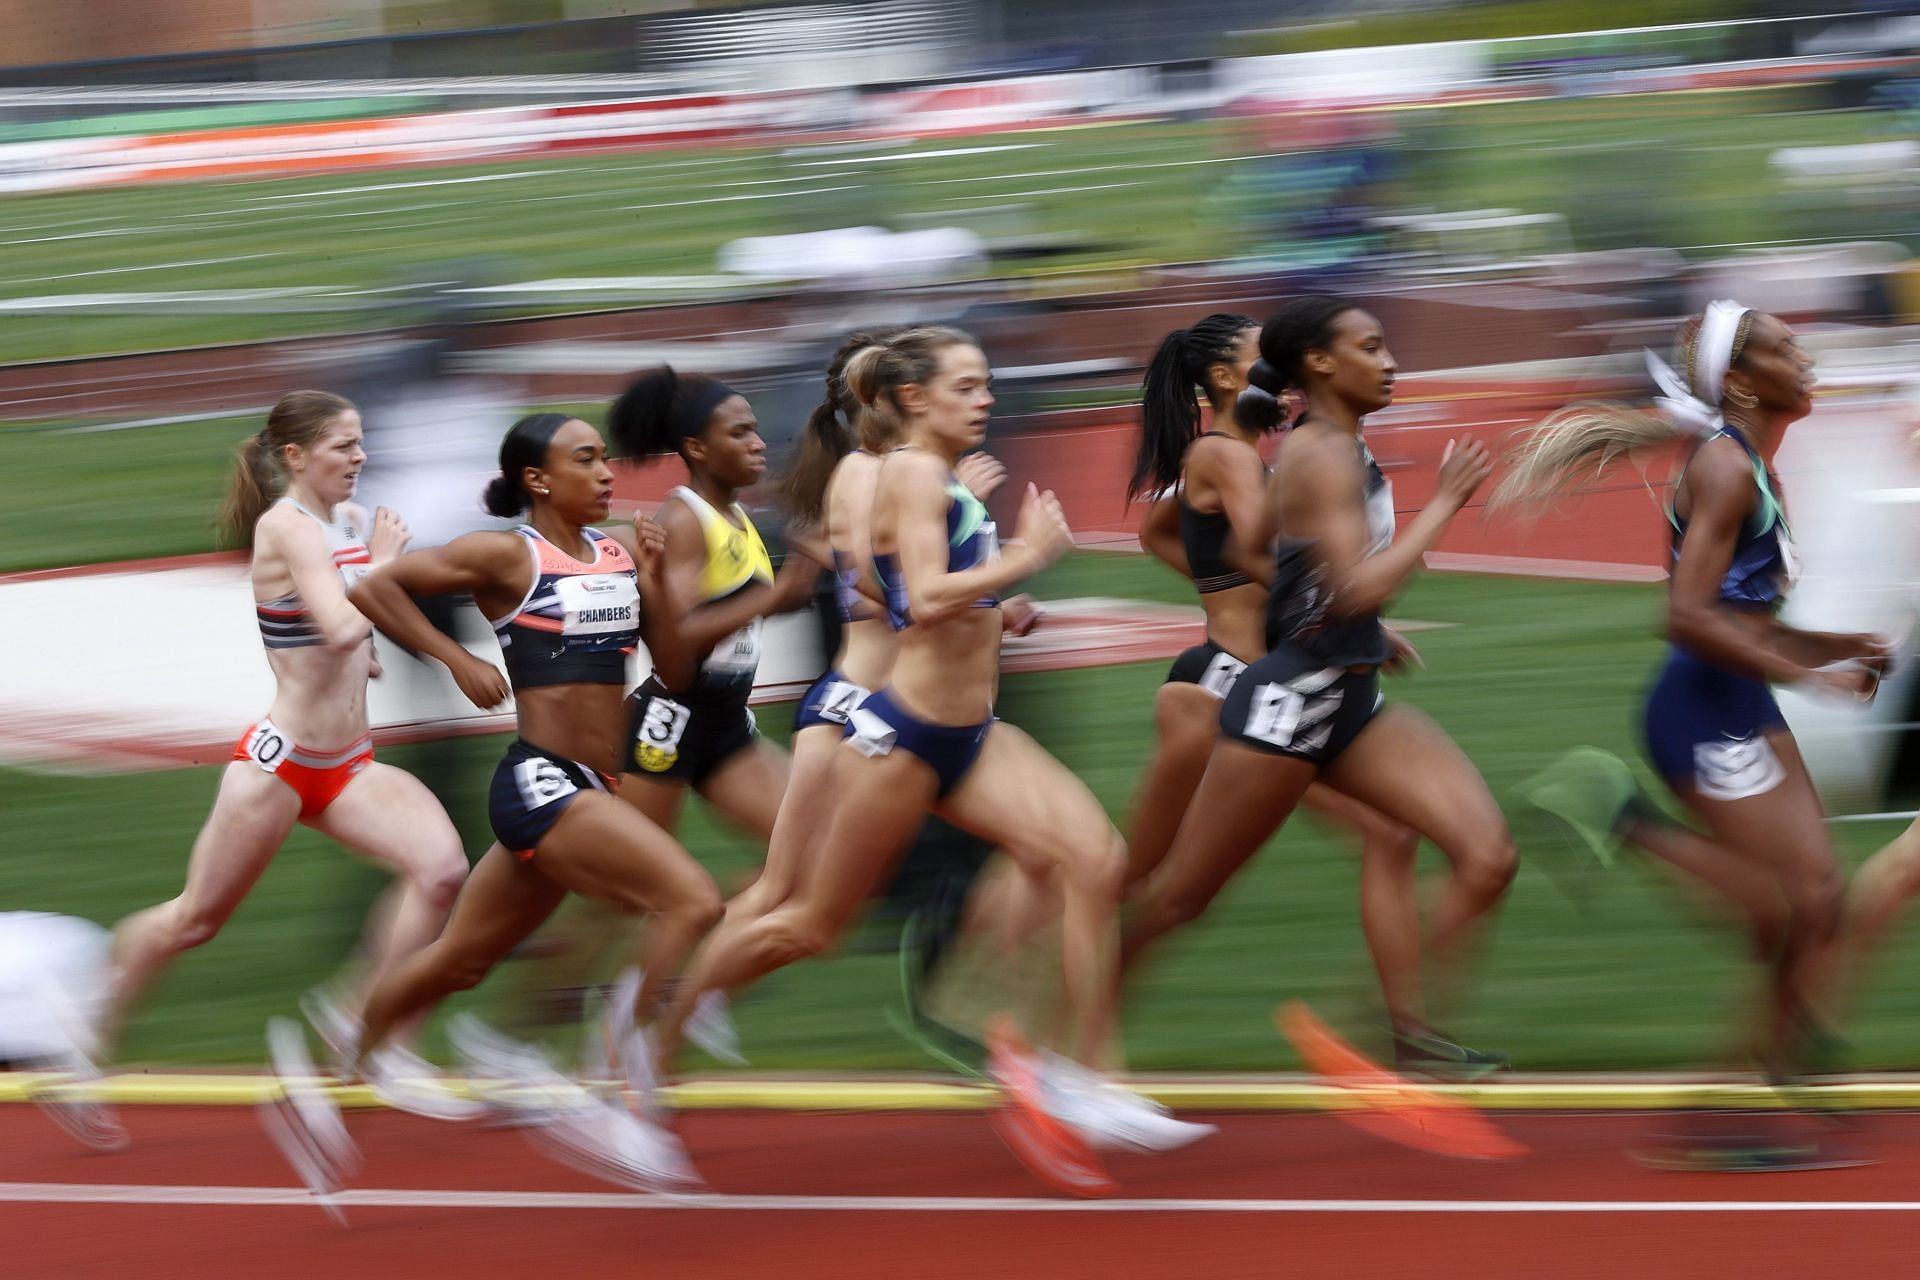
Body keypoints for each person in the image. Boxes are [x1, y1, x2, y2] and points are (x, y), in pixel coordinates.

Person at [647, 327, 1212, 1192]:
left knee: (1091, 860)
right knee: (807, 924)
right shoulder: (908, 471)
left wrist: (1003, 601)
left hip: (972, 733)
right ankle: (657, 1045)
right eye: (968, 386)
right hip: (902, 736)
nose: (987, 398)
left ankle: (1084, 1076)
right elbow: (917, 606)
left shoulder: (931, 476)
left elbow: (897, 586)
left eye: (987, 384)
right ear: (916, 399)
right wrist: (1026, 556)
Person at [274, 411, 720, 1192]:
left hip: (593, 785)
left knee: (459, 961)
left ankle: (331, 1069)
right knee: (690, 901)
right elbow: (374, 585)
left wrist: (653, 584)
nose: (608, 470)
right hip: (543, 784)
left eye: (606, 457)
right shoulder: (508, 554)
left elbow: (676, 670)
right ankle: (612, 1090)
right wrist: (454, 660)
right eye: (586, 460)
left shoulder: (616, 554)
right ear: (538, 481)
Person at [1498, 302, 1891, 1164]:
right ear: (1743, 381)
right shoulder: (1723, 468)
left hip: (1740, 701)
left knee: (1815, 905)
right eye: (1786, 349)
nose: (1806, 358)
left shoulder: (1754, 470)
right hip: (1703, 713)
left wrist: (1835, 648)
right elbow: (1684, 617)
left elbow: (1743, 618)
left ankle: (1778, 1060)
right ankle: (1616, 811)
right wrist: (1808, 672)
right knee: (1794, 912)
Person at [1121, 297, 1517, 1065]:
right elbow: (1329, 579)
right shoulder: (1269, 453)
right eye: (1372, 346)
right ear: (1320, 364)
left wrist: (1334, 610)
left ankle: (1402, 1033)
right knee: (1176, 894)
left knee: (1471, 850)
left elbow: (1256, 552)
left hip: (1337, 687)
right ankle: (1066, 1038)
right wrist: (1431, 517)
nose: (1391, 360)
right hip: (1270, 693)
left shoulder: (1304, 450)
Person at [107, 391, 471, 1115]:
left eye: (361, 442)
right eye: (343, 445)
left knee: (441, 871)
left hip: (348, 767)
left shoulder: (347, 523)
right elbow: (339, 623)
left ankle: (368, 1030)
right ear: (297, 456)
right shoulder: (289, 526)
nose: (359, 457)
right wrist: (386, 566)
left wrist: (365, 652)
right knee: (197, 921)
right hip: (278, 767)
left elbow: (338, 640)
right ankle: (90, 1023)